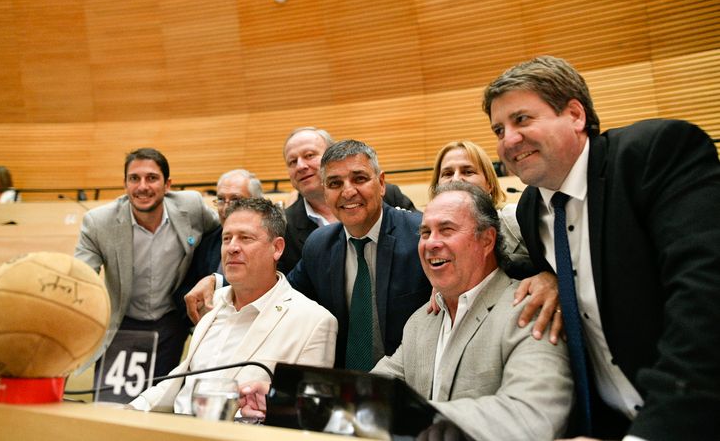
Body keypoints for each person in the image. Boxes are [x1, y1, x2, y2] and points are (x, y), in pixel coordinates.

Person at [483, 55, 720, 440]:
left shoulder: (653, 155)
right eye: (498, 129)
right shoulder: (530, 209)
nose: (507, 140)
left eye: (522, 119)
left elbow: (705, 298)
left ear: (575, 114)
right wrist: (549, 275)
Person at [239, 182, 573, 440]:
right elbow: (372, 390)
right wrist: (290, 400)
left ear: (487, 240)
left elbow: (533, 414)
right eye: (425, 232)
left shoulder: (530, 309)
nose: (430, 243)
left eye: (447, 230)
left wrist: (414, 416)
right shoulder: (421, 322)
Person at [128, 197, 337, 414]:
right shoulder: (212, 305)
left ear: (277, 248)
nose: (232, 248)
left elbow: (308, 412)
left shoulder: (314, 322)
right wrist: (132, 409)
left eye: (245, 238)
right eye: (227, 238)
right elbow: (180, 381)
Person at [75, 148, 219, 377]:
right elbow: (79, 278)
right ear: (125, 184)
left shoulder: (191, 206)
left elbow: (222, 233)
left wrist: (212, 277)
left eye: (152, 178)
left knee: (159, 403)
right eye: (134, 178)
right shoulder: (98, 223)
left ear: (167, 184)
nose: (142, 186)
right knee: (111, 406)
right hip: (123, 323)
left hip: (171, 323)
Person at [286, 140, 431, 369]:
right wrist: (219, 282)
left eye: (359, 179)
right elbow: (284, 297)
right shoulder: (319, 246)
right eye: (334, 183)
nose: (348, 191)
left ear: (381, 184)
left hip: (413, 382)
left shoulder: (421, 237)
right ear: (325, 192)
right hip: (345, 390)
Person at [430, 140, 562, 344]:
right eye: (447, 173)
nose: (456, 179)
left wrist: (553, 278)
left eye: (468, 171)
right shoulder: (432, 240)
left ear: (489, 184)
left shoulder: (518, 220)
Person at [278, 127, 417, 273]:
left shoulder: (388, 196)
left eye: (309, 155)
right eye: (292, 162)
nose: (300, 166)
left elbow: (419, 235)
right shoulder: (284, 226)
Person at [174, 169, 263, 322]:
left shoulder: (269, 239)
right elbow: (183, 292)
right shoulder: (208, 240)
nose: (226, 207)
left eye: (235, 199)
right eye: (221, 199)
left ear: (256, 201)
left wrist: (216, 283)